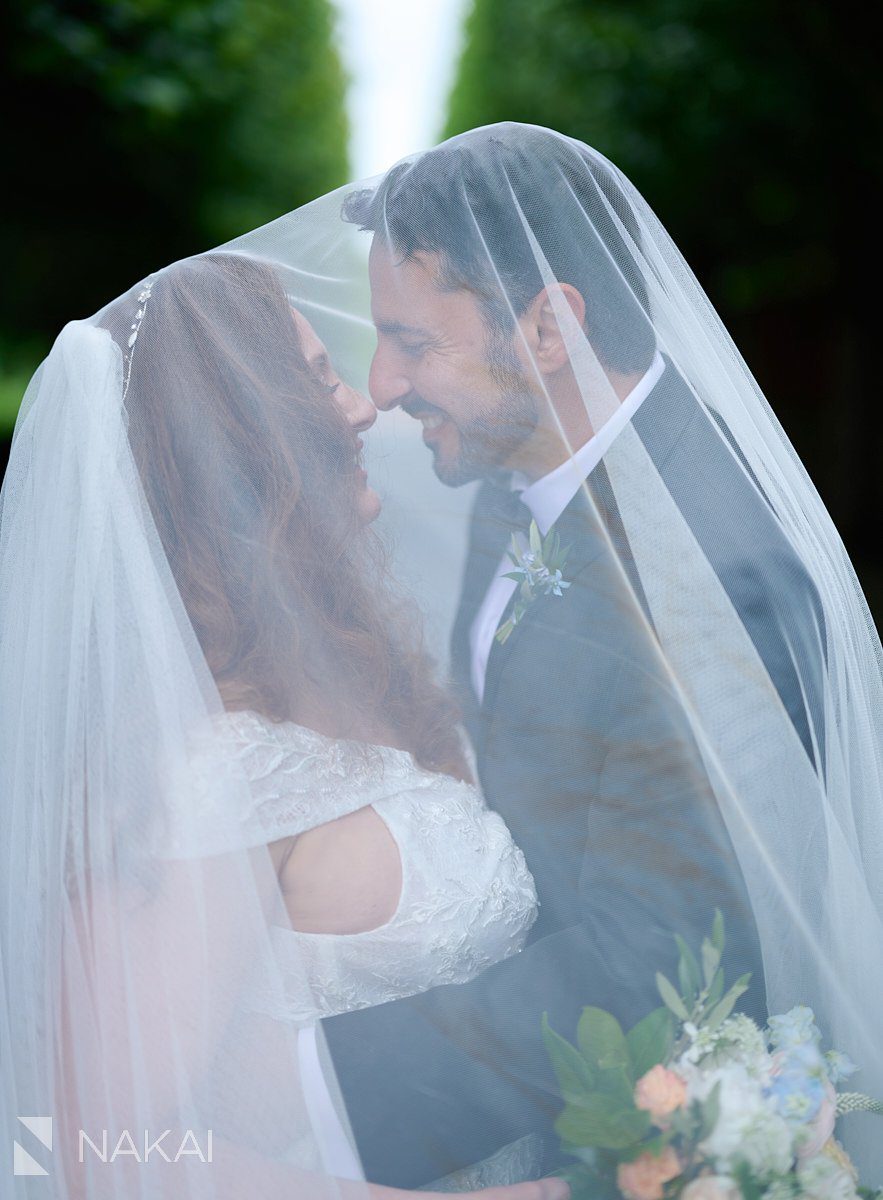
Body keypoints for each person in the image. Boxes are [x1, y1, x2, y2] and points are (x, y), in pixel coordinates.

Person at [290, 123, 883, 1188]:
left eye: (415, 344)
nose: (380, 385)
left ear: (551, 327)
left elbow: (654, 957)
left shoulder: (709, 574)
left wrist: (309, 1090)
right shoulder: (520, 467)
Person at [0, 251, 567, 1200]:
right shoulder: (205, 773)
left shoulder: (356, 670)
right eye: (316, 380)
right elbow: (63, 1146)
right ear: (237, 441)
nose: (360, 407)